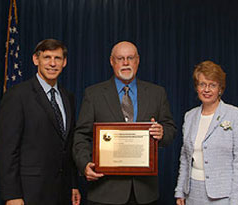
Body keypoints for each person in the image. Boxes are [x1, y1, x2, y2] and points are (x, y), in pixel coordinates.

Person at [73, 41, 177, 205]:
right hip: (105, 191)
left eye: (130, 58)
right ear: (112, 61)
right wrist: (84, 164)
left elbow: (170, 129)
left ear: (138, 60)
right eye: (120, 58)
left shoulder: (157, 93)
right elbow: (81, 135)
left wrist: (162, 132)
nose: (126, 63)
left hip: (145, 193)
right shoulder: (93, 94)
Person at [0, 39, 81, 205]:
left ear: (64, 62)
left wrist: (73, 185)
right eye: (47, 57)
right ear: (36, 60)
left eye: (57, 58)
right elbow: (7, 149)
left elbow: (67, 145)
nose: (52, 63)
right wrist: (12, 195)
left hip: (62, 192)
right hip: (29, 193)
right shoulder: (17, 96)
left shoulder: (67, 97)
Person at [175, 60, 238, 205]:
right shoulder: (189, 116)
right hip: (192, 194)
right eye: (202, 84)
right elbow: (185, 158)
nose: (207, 89)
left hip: (224, 196)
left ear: (220, 88)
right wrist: (180, 191)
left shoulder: (237, 116)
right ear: (197, 87)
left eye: (212, 85)